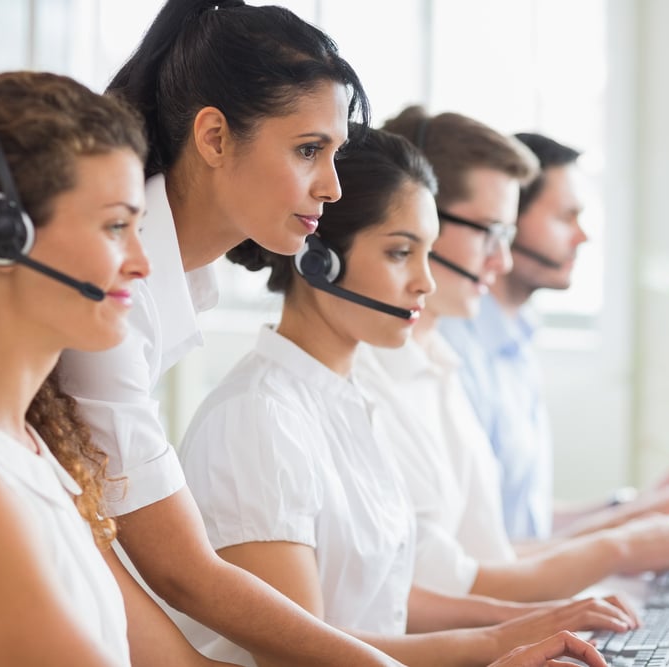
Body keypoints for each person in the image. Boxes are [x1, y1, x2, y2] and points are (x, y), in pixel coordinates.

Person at [176, 125, 638, 667]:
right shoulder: (257, 420)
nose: (426, 283)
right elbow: (303, 652)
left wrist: (530, 624)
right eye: (400, 253)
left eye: (427, 253)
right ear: (316, 259)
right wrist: (495, 646)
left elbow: (383, 601)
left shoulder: (344, 401)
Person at [55, 1, 404, 665]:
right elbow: (180, 570)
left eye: (335, 155)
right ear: (213, 137)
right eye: (309, 150)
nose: (331, 186)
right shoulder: (110, 294)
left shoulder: (186, 282)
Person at [349, 108, 669, 602]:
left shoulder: (440, 359)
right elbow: (438, 588)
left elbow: (492, 551)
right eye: (492, 231)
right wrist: (622, 543)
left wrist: (634, 518)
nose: (500, 260)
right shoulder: (384, 375)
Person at [0, 70, 238, 667]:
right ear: (0, 234)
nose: (140, 262)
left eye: (139, 227)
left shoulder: (33, 448)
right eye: (114, 227)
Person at [438, 132, 669, 543]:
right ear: (506, 221)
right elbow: (484, 556)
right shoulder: (452, 348)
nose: (582, 236)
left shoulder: (516, 341)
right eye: (565, 217)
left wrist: (642, 504)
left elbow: (526, 524)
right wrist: (639, 527)